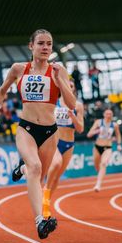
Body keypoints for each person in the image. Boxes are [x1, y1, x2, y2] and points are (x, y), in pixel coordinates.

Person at [0, 29, 75, 239]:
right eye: (41, 43)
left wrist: (59, 80)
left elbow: (71, 104)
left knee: (38, 175)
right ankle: (40, 221)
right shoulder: (18, 69)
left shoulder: (58, 70)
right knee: (36, 168)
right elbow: (2, 91)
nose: (45, 48)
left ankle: (22, 168)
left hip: (51, 132)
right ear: (31, 46)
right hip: (26, 128)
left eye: (49, 44)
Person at [43, 77, 84, 217]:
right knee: (56, 164)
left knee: (56, 178)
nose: (69, 87)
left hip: (69, 144)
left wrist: (73, 117)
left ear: (74, 89)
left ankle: (46, 202)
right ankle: (44, 195)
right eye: (67, 85)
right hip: (55, 141)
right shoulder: (54, 103)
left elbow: (80, 129)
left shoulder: (78, 106)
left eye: (71, 86)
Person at [86, 109, 122, 192]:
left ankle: (98, 185)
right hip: (97, 146)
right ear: (104, 114)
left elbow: (118, 135)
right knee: (96, 166)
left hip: (108, 147)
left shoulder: (115, 125)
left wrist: (119, 145)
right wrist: (97, 131)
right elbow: (89, 134)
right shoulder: (98, 122)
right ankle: (100, 175)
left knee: (103, 163)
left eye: (110, 114)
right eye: (107, 113)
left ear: (112, 115)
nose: (108, 115)